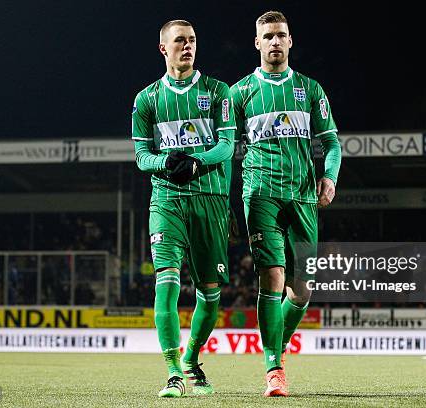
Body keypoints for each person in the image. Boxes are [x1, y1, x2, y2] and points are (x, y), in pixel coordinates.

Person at [230, 10, 342, 397]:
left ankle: (275, 345)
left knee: (302, 290)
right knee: (272, 277)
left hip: (303, 196)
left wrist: (329, 177)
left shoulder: (310, 89)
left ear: (290, 41)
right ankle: (273, 368)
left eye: (281, 35)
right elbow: (225, 145)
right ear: (257, 43)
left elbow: (332, 144)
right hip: (260, 193)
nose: (275, 42)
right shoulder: (240, 92)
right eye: (268, 36)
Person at [132, 19, 236, 397]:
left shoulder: (218, 91)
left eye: (192, 40)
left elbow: (226, 147)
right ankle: (173, 372)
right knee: (167, 281)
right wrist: (166, 164)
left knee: (211, 293)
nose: (187, 47)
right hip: (167, 199)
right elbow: (142, 157)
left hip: (210, 198)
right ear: (164, 48)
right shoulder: (146, 99)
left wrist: (193, 161)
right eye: (180, 41)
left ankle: (192, 357)